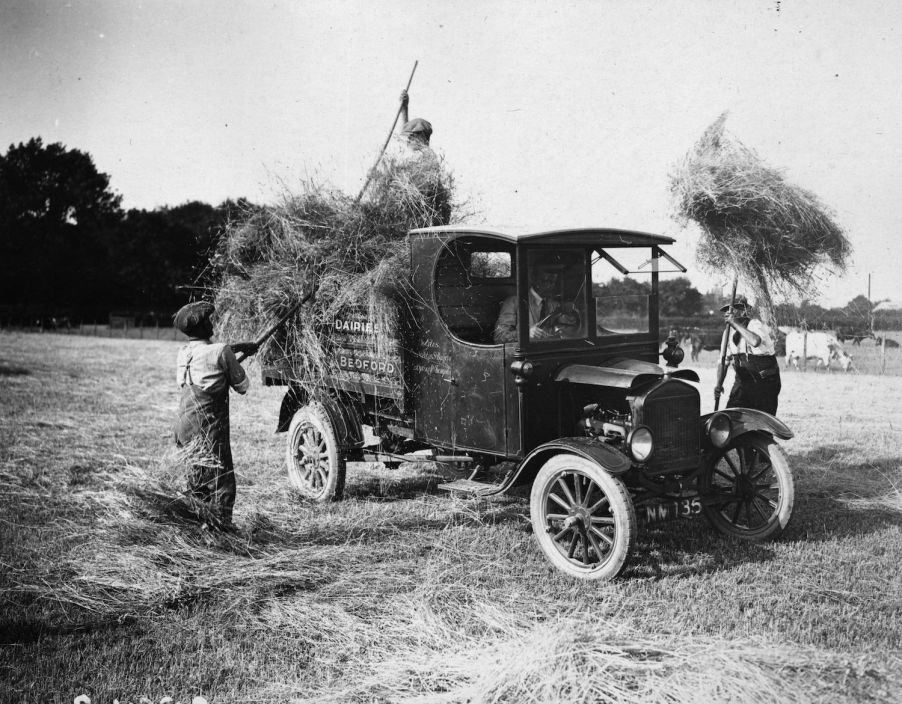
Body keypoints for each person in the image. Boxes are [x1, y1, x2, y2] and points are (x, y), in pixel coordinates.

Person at [173, 301, 258, 528]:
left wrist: (237, 348)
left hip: (184, 427)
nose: (212, 323)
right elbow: (243, 386)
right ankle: (221, 532)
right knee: (221, 482)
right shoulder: (221, 351)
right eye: (208, 321)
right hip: (208, 427)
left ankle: (198, 527)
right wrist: (231, 359)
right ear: (200, 327)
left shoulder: (183, 353)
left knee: (196, 479)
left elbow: (209, 352)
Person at [718, 295, 782, 415]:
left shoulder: (755, 325)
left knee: (761, 422)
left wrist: (734, 323)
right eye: (727, 309)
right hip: (743, 381)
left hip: (764, 381)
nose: (729, 312)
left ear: (744, 311)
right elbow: (723, 362)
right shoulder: (728, 333)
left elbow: (755, 341)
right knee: (732, 416)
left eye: (734, 309)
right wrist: (718, 384)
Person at [494, 262, 582, 343]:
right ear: (534, 279)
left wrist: (569, 320)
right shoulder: (513, 302)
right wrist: (525, 334)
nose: (551, 286)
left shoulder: (555, 305)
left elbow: (566, 332)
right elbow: (499, 337)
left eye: (553, 282)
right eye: (547, 281)